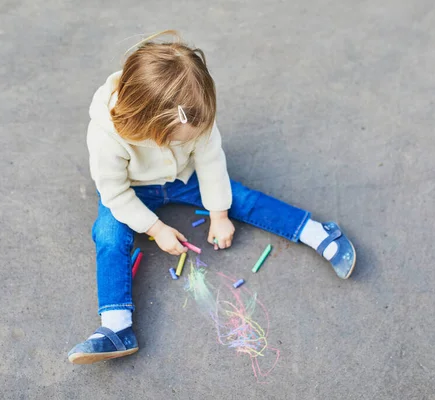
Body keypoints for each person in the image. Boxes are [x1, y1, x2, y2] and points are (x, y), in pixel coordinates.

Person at [68, 30, 356, 364]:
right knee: (107, 233)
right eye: (179, 140)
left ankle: (317, 232)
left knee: (241, 198)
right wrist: (156, 228)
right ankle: (117, 326)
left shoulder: (194, 110)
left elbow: (210, 161)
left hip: (183, 178)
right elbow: (115, 193)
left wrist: (219, 213)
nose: (192, 137)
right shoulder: (107, 136)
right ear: (148, 127)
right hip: (133, 190)